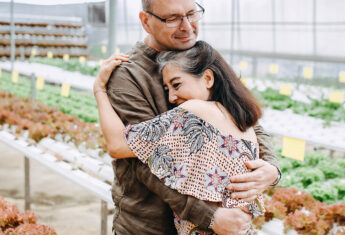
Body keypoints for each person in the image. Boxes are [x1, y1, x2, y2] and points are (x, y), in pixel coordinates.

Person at [95, 0, 281, 234]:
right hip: (151, 225)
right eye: (173, 18)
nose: (187, 26)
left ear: (208, 78)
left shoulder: (200, 56)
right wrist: (210, 216)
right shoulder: (128, 74)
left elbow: (243, 116)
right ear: (146, 21)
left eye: (192, 14)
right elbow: (142, 161)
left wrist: (271, 168)